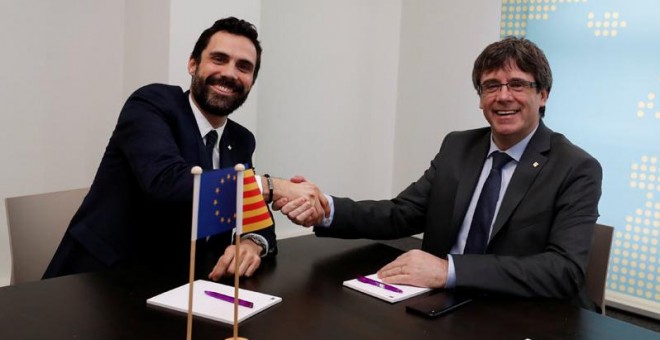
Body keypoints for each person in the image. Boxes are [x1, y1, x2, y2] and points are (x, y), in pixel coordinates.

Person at [277, 37, 602, 309]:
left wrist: (450, 269)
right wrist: (326, 209)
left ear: (542, 95)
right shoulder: (459, 147)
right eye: (491, 86)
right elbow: (400, 214)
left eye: (517, 84)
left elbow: (564, 271)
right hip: (443, 306)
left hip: (527, 314)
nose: (503, 96)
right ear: (480, 99)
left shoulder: (576, 168)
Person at [44, 17, 326, 283]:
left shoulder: (241, 139)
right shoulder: (152, 104)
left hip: (183, 286)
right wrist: (271, 186)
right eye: (219, 59)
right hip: (98, 283)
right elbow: (168, 183)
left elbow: (255, 216)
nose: (229, 73)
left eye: (244, 67)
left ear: (251, 81)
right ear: (193, 64)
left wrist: (251, 244)